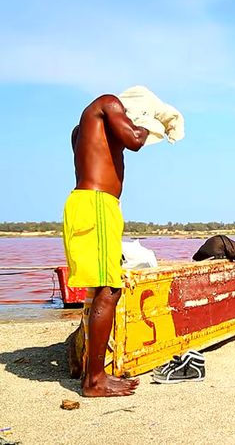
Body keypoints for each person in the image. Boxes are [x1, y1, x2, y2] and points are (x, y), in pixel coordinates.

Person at [64, 95, 152, 397]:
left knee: (101, 288)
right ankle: (94, 380)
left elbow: (97, 143)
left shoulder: (86, 128)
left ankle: (94, 372)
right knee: (108, 288)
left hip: (94, 204)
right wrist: (155, 119)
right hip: (97, 204)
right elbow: (136, 139)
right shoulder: (108, 104)